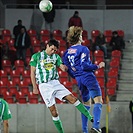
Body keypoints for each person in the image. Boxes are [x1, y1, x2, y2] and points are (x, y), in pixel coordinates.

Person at [29, 39, 94, 133]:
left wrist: (64, 67)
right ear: (47, 46)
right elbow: (32, 72)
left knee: (73, 98)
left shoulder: (56, 57)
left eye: (55, 50)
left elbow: (61, 65)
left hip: (55, 83)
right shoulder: (37, 56)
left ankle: (89, 116)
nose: (53, 52)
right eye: (52, 49)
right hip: (44, 85)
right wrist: (34, 87)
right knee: (54, 112)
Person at [63, 26, 105, 133]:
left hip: (79, 79)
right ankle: (96, 126)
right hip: (88, 77)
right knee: (98, 101)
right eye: (81, 35)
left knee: (86, 104)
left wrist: (77, 76)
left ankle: (84, 130)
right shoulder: (83, 49)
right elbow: (85, 66)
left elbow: (68, 69)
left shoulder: (67, 53)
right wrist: (98, 66)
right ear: (79, 37)